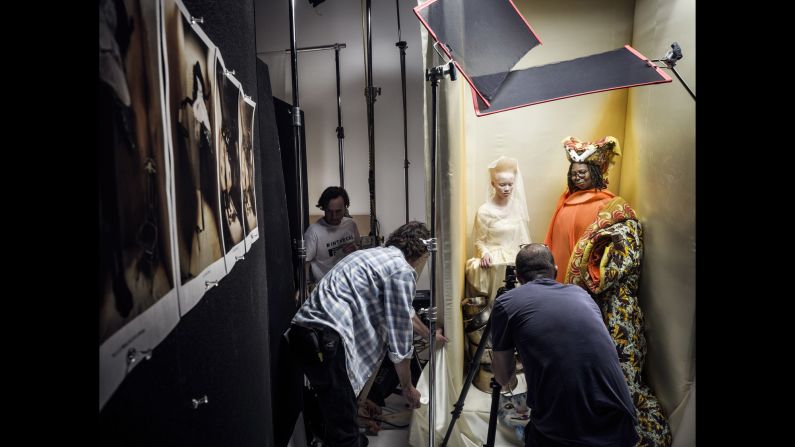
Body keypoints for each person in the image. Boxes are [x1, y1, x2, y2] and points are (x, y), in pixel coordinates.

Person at [544, 136, 672, 447]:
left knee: (613, 372)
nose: (577, 174)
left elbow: (617, 257)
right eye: (573, 170)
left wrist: (593, 275)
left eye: (583, 170)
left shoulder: (612, 208)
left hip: (605, 307)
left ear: (596, 172)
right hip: (569, 305)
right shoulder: (562, 204)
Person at [288, 221, 430, 446]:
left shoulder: (370, 256)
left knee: (337, 419)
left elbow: (406, 312)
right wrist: (407, 387)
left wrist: (430, 336)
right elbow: (400, 337)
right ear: (422, 253)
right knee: (347, 435)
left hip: (303, 334)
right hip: (326, 339)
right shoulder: (402, 270)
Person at [490, 243, 638, 447]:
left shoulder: (506, 303)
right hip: (621, 424)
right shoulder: (581, 295)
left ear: (518, 276)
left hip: (565, 434)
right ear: (556, 271)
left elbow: (504, 378)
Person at [465, 156, 531, 302]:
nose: (507, 189)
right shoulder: (484, 211)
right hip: (494, 257)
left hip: (514, 255)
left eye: (510, 184)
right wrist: (485, 253)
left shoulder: (518, 207)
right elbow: (479, 241)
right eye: (502, 185)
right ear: (493, 184)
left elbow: (523, 238)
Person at [304, 186, 361, 285]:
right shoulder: (313, 232)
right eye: (329, 211)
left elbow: (360, 248)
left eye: (338, 211)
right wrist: (305, 287)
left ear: (345, 207)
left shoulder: (351, 224)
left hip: (351, 281)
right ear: (323, 208)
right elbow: (305, 263)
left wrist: (356, 248)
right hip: (327, 287)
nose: (334, 216)